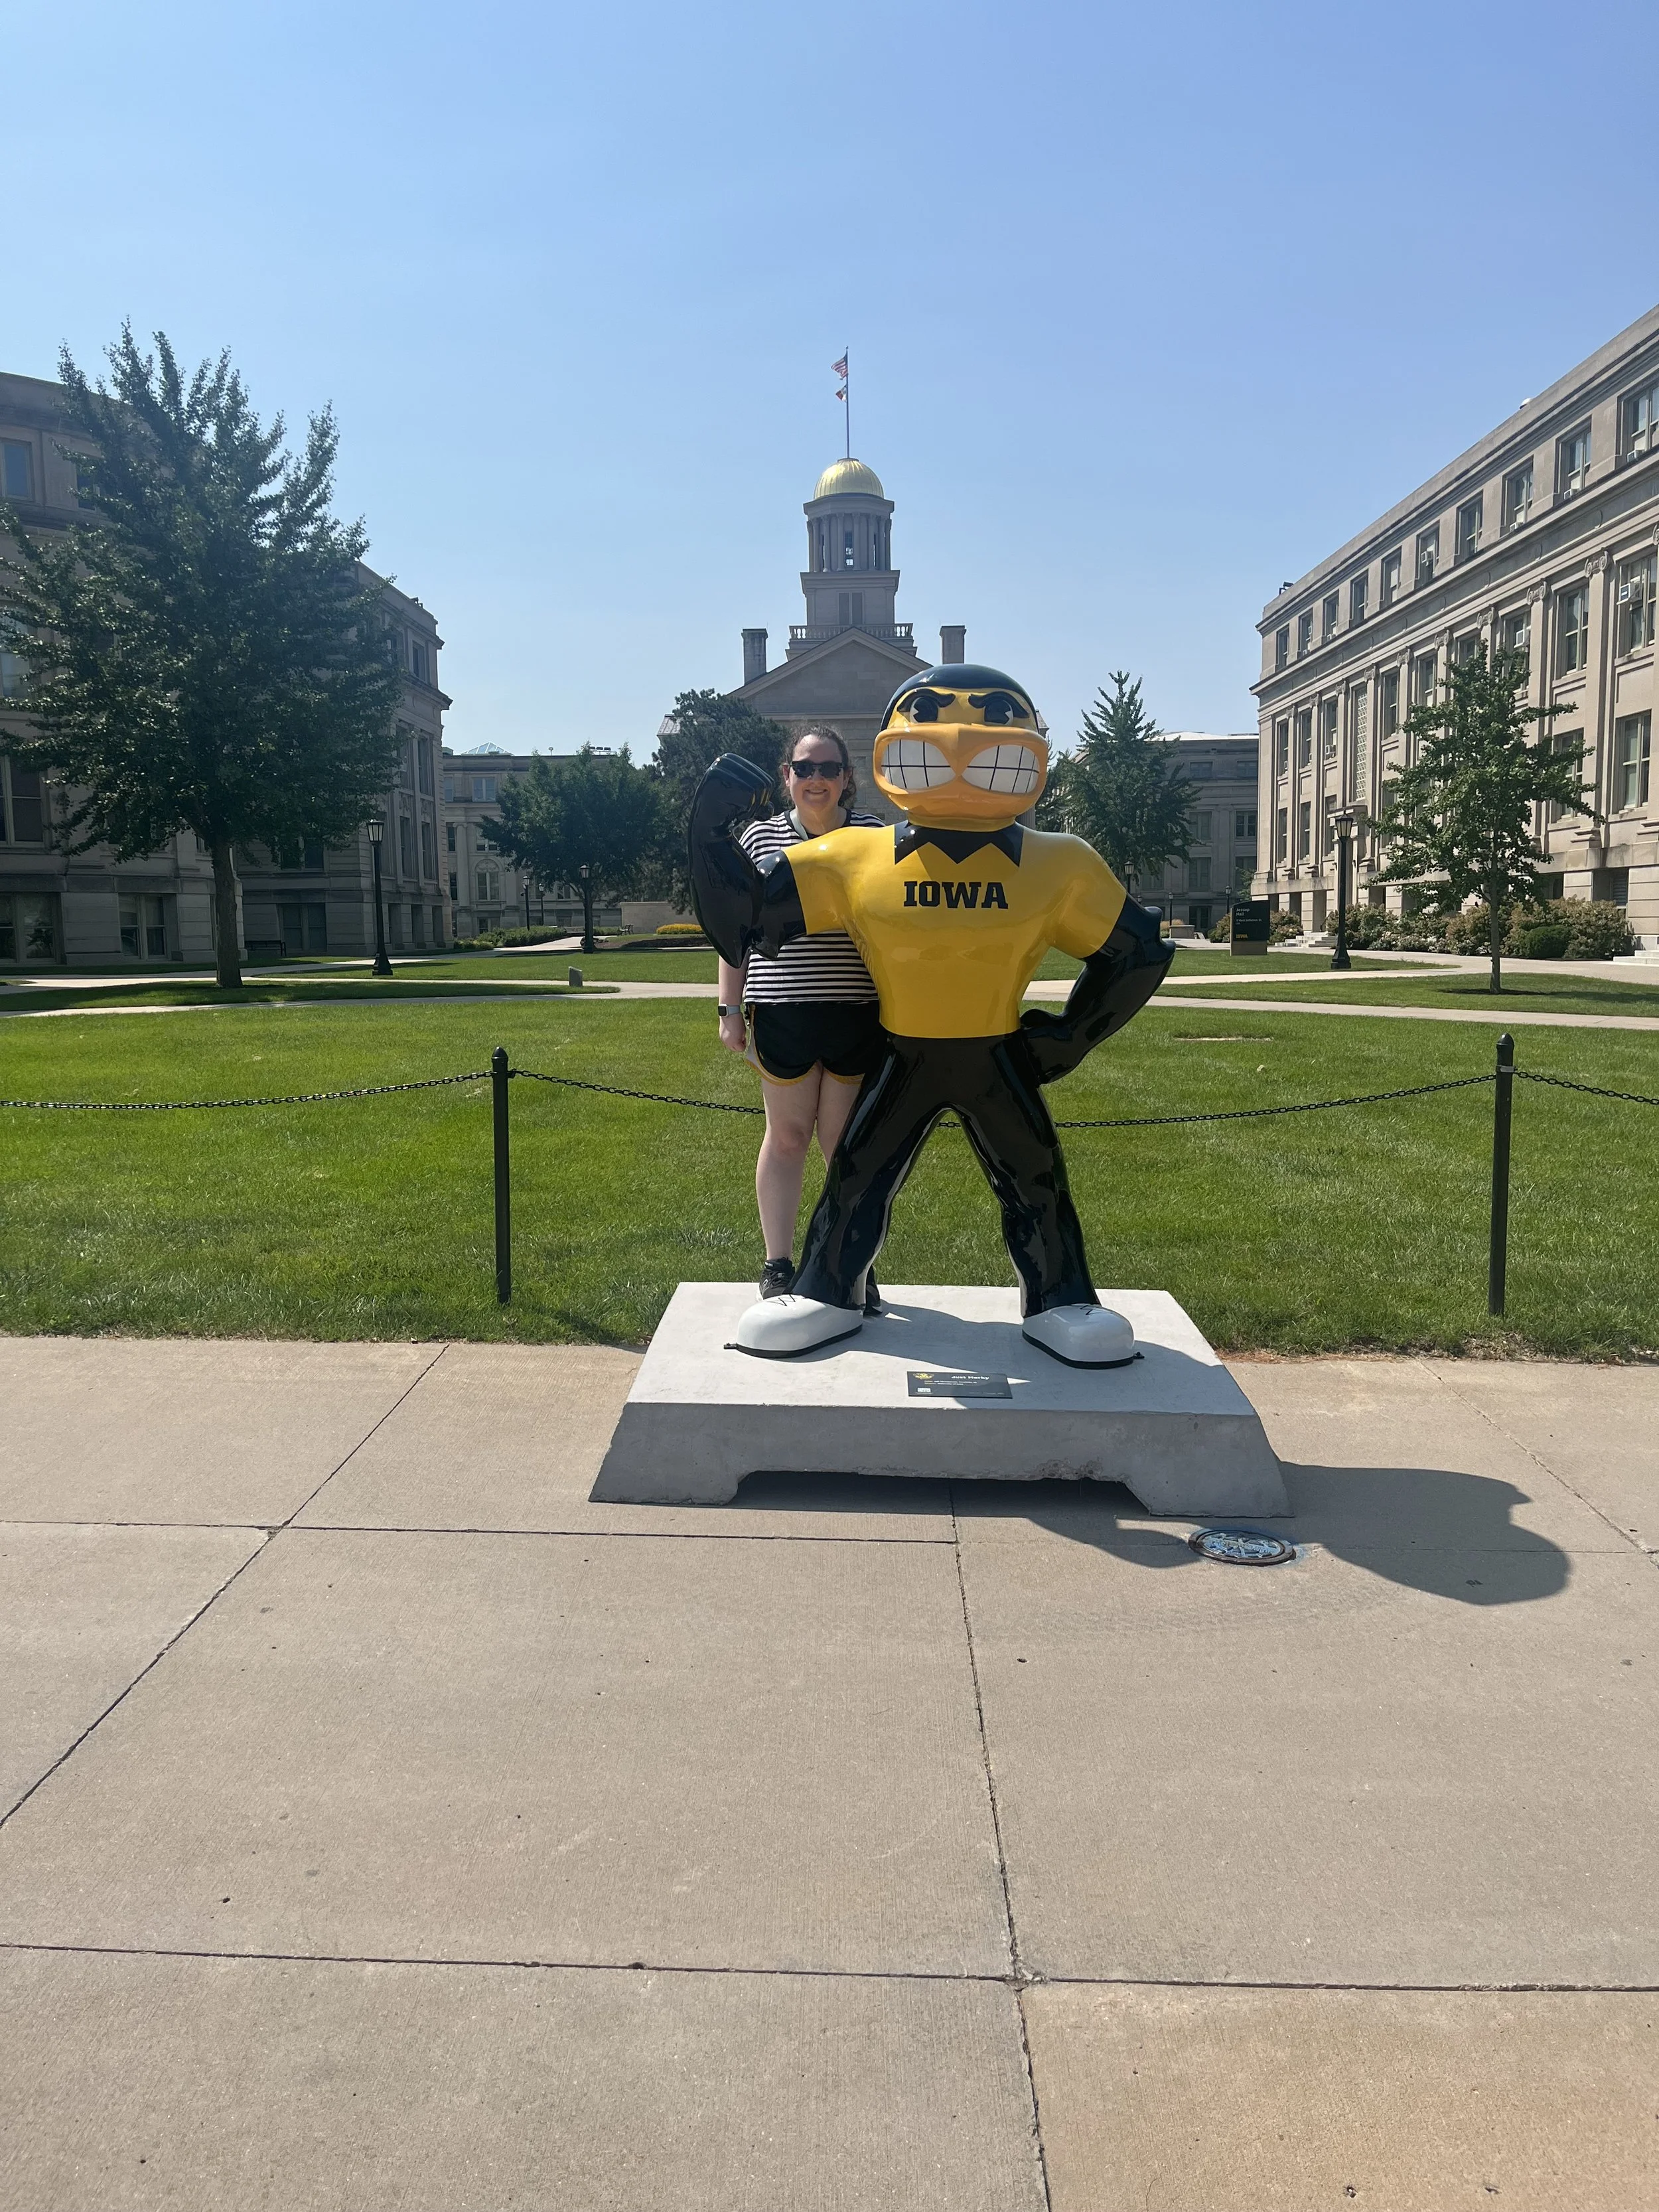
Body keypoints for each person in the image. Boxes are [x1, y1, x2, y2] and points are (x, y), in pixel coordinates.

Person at [691, 662, 1172, 1362]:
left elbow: (1137, 952)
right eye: (933, 719)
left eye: (992, 721)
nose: (961, 745)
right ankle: (830, 1288)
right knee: (858, 1172)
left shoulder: (1059, 863)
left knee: (1033, 1178)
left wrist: (1073, 1036)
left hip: (991, 1049)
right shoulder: (853, 855)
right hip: (904, 1048)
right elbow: (748, 923)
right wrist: (710, 836)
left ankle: (1059, 1296)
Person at [715, 728, 887, 1304]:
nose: (817, 779)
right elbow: (734, 930)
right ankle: (779, 1264)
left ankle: (850, 1262)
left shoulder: (874, 835)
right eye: (804, 767)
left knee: (844, 1143)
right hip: (782, 1007)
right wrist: (729, 1008)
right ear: (786, 774)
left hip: (857, 1009)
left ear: (846, 777)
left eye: (828, 768)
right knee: (787, 1138)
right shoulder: (759, 837)